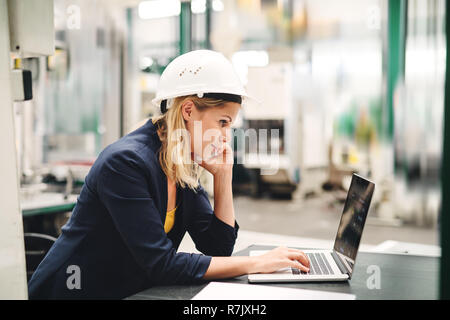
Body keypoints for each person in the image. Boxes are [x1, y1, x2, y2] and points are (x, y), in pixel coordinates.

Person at [28, 50, 310, 299]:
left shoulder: (180, 163)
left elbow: (218, 247)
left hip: (128, 291)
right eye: (222, 123)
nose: (226, 136)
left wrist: (223, 177)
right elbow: (161, 264)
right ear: (188, 110)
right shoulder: (125, 163)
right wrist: (256, 263)